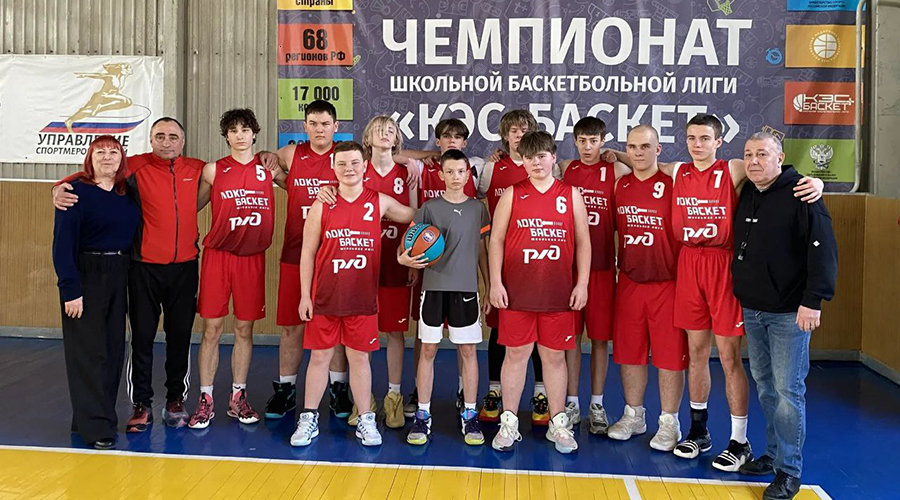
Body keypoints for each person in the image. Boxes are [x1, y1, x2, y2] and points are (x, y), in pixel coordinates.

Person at [52, 118, 278, 432]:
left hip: (184, 267)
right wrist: (60, 185)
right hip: (143, 267)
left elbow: (244, 165)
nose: (167, 142)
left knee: (180, 338)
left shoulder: (198, 168)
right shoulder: (136, 165)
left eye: (173, 136)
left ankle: (175, 400)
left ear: (182, 141)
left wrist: (267, 155)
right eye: (160, 136)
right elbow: (98, 171)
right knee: (142, 338)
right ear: (151, 139)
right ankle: (142, 404)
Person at [665, 114, 823, 471]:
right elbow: (643, 161)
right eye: (691, 138)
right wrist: (614, 154)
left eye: (705, 138)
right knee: (696, 353)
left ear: (718, 142)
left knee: (729, 356)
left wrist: (815, 182)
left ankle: (739, 441)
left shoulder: (733, 168)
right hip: (689, 263)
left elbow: (774, 170)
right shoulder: (678, 171)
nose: (697, 144)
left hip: (722, 266)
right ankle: (699, 431)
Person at [732, 132, 837, 500]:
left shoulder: (803, 193)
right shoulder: (748, 190)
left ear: (780, 158)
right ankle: (774, 453)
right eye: (749, 154)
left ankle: (789, 471)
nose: (754, 161)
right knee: (765, 384)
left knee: (788, 391)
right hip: (753, 307)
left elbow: (823, 251)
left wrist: (814, 300)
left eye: (762, 154)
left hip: (790, 312)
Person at [290, 141, 415, 448]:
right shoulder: (322, 204)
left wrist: (406, 252)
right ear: (333, 168)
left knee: (359, 358)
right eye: (342, 164)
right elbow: (307, 252)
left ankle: (366, 419)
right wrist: (304, 295)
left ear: (365, 166)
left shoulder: (379, 201)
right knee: (320, 357)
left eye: (355, 163)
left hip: (362, 297)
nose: (349, 169)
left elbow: (415, 215)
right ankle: (309, 417)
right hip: (325, 296)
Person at [489, 131, 591, 454]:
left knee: (554, 358)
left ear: (553, 157)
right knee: (515, 355)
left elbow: (584, 241)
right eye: (530, 157)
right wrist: (495, 282)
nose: (536, 162)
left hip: (557, 292)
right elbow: (496, 239)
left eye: (542, 156)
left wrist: (582, 283)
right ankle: (508, 422)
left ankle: (558, 424)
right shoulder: (512, 194)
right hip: (517, 292)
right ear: (522, 161)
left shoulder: (570, 194)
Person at [187, 108, 287, 429]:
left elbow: (301, 189)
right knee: (212, 329)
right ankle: (205, 399)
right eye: (233, 130)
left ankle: (237, 397)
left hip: (251, 258)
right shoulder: (214, 170)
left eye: (245, 129)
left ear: (254, 134)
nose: (240, 135)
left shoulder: (268, 169)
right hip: (218, 257)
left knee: (244, 329)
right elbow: (191, 207)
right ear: (226, 136)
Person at [398, 149, 491, 446]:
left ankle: (470, 414)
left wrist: (489, 286)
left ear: (468, 174)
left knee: (468, 351)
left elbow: (483, 251)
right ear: (440, 175)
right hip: (434, 289)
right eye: (449, 172)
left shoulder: (478, 209)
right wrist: (403, 259)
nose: (455, 177)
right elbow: (407, 245)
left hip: (466, 290)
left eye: (460, 171)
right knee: (427, 350)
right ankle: (423, 415)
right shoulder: (429, 208)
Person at [52, 135, 140, 449]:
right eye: (99, 152)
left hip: (120, 271)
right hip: (86, 273)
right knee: (89, 353)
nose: (107, 157)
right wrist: (70, 289)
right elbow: (62, 246)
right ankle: (96, 427)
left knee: (113, 350)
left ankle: (88, 417)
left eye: (113, 152)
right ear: (90, 158)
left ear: (121, 158)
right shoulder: (74, 192)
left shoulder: (128, 192)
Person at [605, 125, 687, 452]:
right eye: (632, 147)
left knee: (669, 356)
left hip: (668, 282)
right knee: (630, 352)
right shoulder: (620, 185)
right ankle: (634, 415)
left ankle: (669, 422)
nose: (638, 153)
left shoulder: (674, 182)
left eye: (645, 146)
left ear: (658, 150)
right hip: (629, 280)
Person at [265, 100, 341, 420]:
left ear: (335, 126)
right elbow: (264, 159)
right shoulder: (292, 153)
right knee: (291, 328)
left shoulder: (345, 156)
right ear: (305, 126)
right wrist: (274, 167)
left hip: (335, 257)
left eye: (325, 124)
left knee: (334, 329)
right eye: (313, 123)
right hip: (295, 253)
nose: (319, 129)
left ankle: (339, 388)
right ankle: (286, 389)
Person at [477, 109, 550, 427]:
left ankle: (541, 392)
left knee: (539, 329)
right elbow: (472, 196)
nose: (519, 135)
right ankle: (494, 390)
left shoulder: (547, 167)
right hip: (504, 261)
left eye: (524, 130)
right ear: (505, 135)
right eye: (514, 130)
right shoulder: (491, 167)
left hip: (540, 261)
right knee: (499, 327)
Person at [557, 117, 629, 433]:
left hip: (601, 269)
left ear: (602, 140)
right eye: (582, 140)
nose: (588, 147)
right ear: (575, 141)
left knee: (600, 339)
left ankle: (596, 403)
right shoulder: (566, 168)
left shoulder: (615, 170)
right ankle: (572, 401)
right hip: (568, 270)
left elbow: (647, 167)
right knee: (571, 338)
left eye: (594, 141)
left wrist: (618, 153)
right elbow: (529, 162)